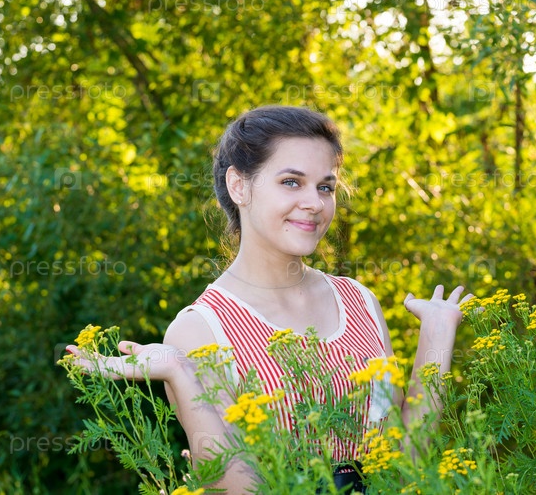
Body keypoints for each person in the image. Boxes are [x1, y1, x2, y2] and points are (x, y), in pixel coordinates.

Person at [66, 105, 471, 493]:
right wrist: (179, 371)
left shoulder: (359, 301)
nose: (315, 203)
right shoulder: (201, 330)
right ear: (239, 186)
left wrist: (436, 336)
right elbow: (235, 491)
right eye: (291, 182)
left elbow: (407, 461)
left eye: (325, 186)